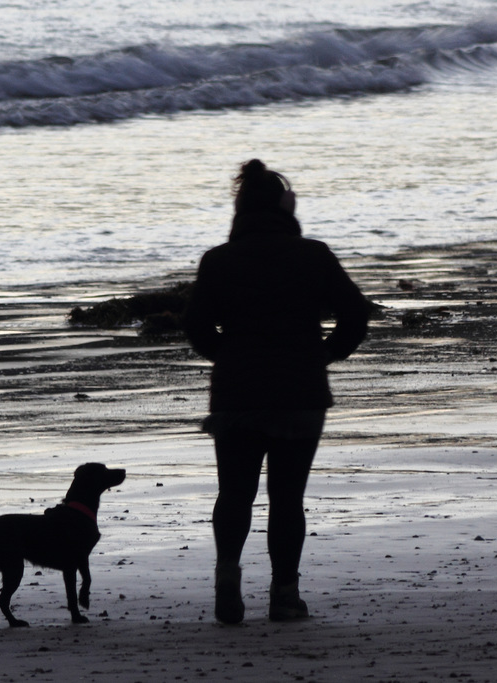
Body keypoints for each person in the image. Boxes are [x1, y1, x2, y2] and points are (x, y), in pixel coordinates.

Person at [183, 159, 369, 624]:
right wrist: (324, 355)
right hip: (299, 390)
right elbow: (356, 314)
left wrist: (227, 357)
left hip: (237, 392)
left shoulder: (218, 260)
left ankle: (227, 576)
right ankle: (284, 595)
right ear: (286, 208)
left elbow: (197, 327)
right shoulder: (314, 255)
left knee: (235, 493)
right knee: (287, 498)